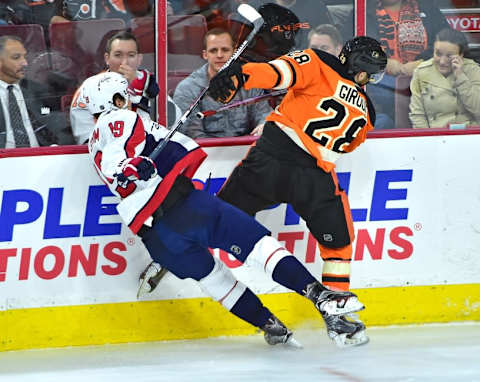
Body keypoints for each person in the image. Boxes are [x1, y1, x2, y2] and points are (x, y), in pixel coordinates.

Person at [86, 71, 367, 348]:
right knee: (257, 244)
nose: (130, 99)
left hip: (156, 237)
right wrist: (129, 168)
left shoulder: (97, 136)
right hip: (184, 207)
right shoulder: (117, 118)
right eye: (124, 94)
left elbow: (134, 132)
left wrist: (144, 89)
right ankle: (321, 297)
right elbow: (117, 161)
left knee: (215, 280)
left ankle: (270, 326)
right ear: (114, 100)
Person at [207, 36, 387, 346]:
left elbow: (277, 73)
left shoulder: (318, 62)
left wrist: (240, 75)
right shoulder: (367, 113)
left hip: (271, 160)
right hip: (315, 179)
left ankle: (168, 256)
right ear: (365, 73)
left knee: (216, 218)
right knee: (339, 244)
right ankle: (337, 316)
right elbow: (350, 142)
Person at [342, 0, 451, 129]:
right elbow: (348, 50)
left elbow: (450, 42)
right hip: (380, 81)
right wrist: (382, 62)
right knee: (395, 93)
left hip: (425, 76)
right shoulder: (362, 11)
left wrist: (423, 63)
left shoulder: (427, 7)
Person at [173, 27, 271, 138]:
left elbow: (264, 114)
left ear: (234, 52)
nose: (219, 55)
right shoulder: (188, 88)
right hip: (207, 152)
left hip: (246, 150)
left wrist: (265, 125)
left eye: (225, 50)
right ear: (205, 55)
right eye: (213, 50)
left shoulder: (249, 82)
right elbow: (192, 136)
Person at [70, 30, 162, 144]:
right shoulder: (89, 88)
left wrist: (136, 89)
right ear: (107, 58)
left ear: (139, 59)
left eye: (131, 55)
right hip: (107, 156)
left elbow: (168, 123)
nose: (124, 62)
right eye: (118, 55)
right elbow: (86, 139)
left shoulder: (149, 84)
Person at [0, 35, 73, 148]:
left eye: (24, 57)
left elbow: (57, 124)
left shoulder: (38, 91)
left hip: (39, 156)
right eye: (16, 57)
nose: (25, 63)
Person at [409, 28, 480, 129]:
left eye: (449, 56)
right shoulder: (421, 72)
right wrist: (426, 139)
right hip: (436, 136)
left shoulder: (473, 70)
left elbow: (478, 109)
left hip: (467, 134)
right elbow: (418, 115)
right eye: (438, 54)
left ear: (461, 55)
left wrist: (460, 76)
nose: (442, 61)